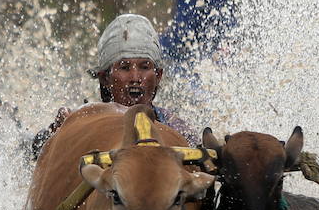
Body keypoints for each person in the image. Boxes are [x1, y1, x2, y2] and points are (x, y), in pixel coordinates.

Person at [30, 13, 196, 159]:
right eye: (124, 67)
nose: (135, 78)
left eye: (144, 67)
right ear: (105, 78)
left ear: (158, 76)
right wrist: (59, 134)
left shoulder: (177, 129)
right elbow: (39, 154)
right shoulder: (83, 122)